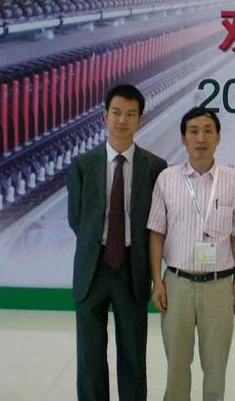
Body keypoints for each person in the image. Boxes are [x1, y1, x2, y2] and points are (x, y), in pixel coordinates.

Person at [67, 84, 167, 401]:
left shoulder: (155, 167)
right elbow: (77, 219)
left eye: (130, 114)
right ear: (104, 116)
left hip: (132, 268)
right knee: (90, 356)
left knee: (133, 353)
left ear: (140, 119)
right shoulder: (82, 165)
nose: (122, 120)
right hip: (92, 269)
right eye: (116, 112)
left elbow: (156, 223)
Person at [147, 106, 235, 401]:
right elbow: (156, 233)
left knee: (216, 368)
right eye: (193, 131)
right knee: (177, 367)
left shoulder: (233, 180)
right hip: (177, 284)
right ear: (183, 138)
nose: (201, 138)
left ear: (218, 137)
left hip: (219, 286)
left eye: (208, 131)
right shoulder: (167, 179)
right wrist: (158, 281)